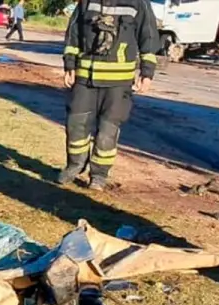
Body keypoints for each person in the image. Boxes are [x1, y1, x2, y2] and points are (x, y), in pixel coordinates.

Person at [59, 0, 159, 189]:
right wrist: (69, 64)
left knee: (107, 132)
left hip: (118, 84)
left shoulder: (139, 3)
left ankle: (99, 175)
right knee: (76, 125)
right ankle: (75, 165)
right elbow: (73, 34)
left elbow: (149, 36)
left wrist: (147, 72)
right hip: (85, 79)